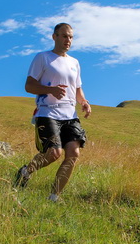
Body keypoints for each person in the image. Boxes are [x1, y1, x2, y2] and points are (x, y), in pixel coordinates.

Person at [13, 23, 92, 202]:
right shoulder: (43, 57)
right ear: (54, 37)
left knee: (74, 153)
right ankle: (25, 171)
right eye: (64, 36)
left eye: (70, 37)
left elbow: (77, 89)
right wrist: (50, 90)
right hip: (47, 112)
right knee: (54, 153)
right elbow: (29, 86)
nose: (68, 40)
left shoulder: (74, 62)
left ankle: (54, 197)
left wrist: (84, 102)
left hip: (70, 115)